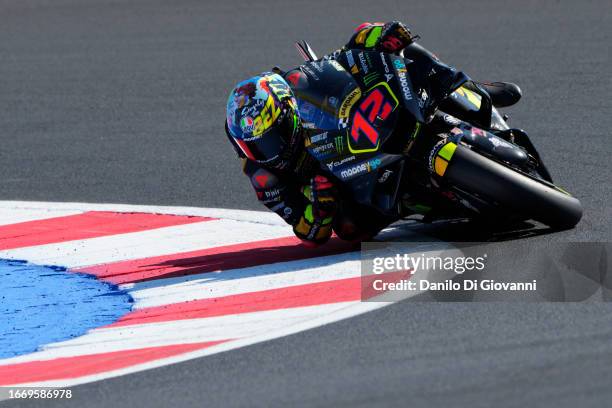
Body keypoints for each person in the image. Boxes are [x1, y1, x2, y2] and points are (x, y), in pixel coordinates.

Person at [225, 22, 464, 246]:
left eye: (271, 138)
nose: (266, 152)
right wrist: (319, 210)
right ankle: (422, 203)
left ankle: (462, 88)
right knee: (350, 228)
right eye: (254, 146)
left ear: (289, 114)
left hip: (363, 131)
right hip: (348, 182)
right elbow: (307, 233)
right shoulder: (263, 175)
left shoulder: (299, 84)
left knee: (398, 49)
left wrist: (380, 35)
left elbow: (344, 53)